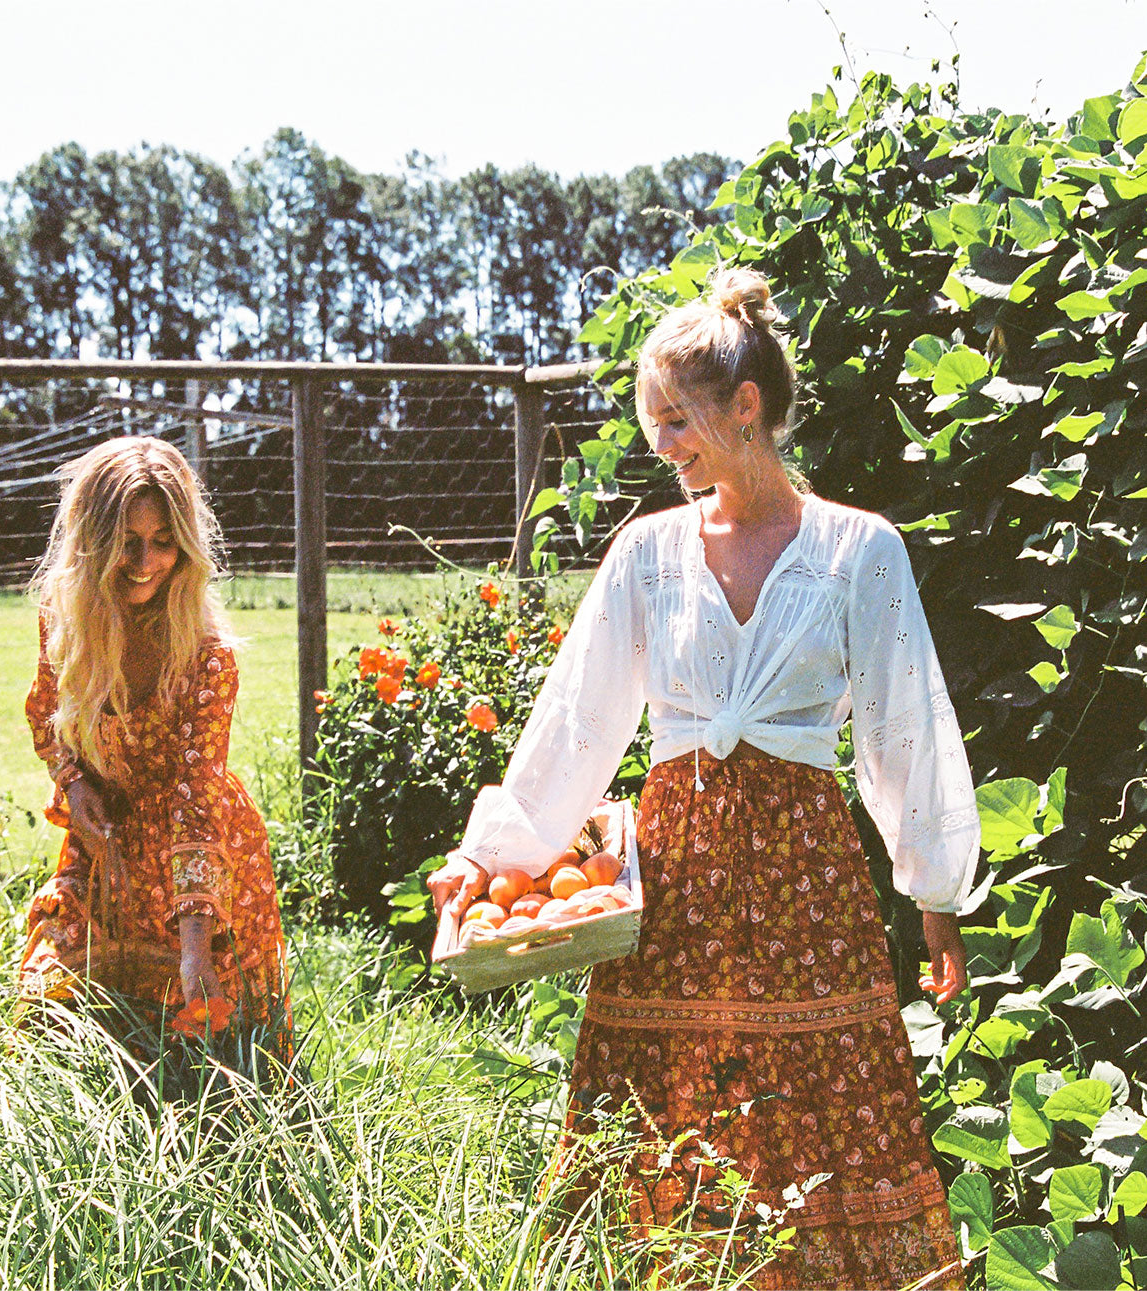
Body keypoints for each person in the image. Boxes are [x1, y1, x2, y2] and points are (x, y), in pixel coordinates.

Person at [429, 269, 975, 1290]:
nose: (663, 446)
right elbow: (577, 724)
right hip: (673, 887)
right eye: (653, 426)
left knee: (819, 1111)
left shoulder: (860, 551)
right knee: (663, 1117)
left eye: (678, 421)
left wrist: (935, 894)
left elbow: (906, 729)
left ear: (746, 407)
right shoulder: (647, 555)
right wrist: (486, 860)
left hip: (807, 882)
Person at [17, 435, 290, 1059]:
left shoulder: (207, 656)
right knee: (50, 1010)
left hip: (196, 857)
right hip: (104, 844)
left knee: (209, 1041)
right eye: (127, 543)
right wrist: (75, 784)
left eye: (163, 541)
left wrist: (196, 944)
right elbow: (45, 716)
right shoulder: (67, 619)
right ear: (93, 542)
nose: (144, 561)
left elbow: (197, 798)